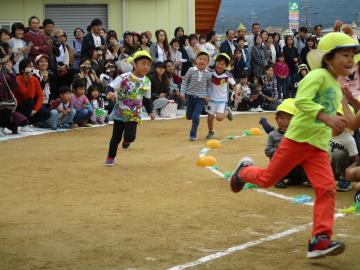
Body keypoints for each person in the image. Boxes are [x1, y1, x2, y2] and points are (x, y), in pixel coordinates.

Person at [230, 32, 360, 259]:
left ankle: (320, 239)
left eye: (353, 56)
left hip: (318, 147)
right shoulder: (318, 76)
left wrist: (348, 102)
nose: (351, 60)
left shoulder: (337, 84)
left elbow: (347, 121)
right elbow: (301, 100)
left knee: (327, 187)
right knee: (268, 178)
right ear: (328, 58)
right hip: (298, 140)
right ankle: (243, 173)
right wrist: (327, 118)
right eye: (345, 55)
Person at [105, 50, 155, 166]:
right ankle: (110, 157)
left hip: (134, 114)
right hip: (120, 112)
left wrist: (151, 111)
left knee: (130, 136)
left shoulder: (147, 81)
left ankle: (127, 141)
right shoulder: (124, 77)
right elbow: (110, 86)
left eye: (148, 64)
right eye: (143, 63)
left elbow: (147, 99)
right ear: (134, 64)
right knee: (116, 137)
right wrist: (110, 93)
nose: (146, 66)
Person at [264, 98, 307, 188]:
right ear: (276, 119)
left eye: (289, 119)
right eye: (282, 118)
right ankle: (278, 178)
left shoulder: (298, 134)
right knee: (277, 154)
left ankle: (297, 178)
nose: (285, 121)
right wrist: (276, 149)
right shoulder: (273, 135)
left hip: (294, 166)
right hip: (280, 165)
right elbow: (267, 151)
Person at [180, 51, 212, 141]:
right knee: (188, 116)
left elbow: (209, 86)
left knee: (195, 116)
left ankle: (193, 135)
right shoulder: (191, 70)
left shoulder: (208, 74)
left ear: (208, 62)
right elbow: (185, 81)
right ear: (196, 60)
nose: (202, 61)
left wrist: (208, 96)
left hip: (201, 99)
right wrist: (182, 92)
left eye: (204, 60)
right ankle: (190, 115)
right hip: (190, 96)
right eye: (200, 59)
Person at [14, 58, 51, 130]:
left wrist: (35, 109)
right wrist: (30, 78)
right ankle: (24, 124)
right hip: (19, 107)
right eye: (29, 66)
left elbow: (40, 95)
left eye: (32, 66)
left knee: (46, 113)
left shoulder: (35, 79)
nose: (32, 68)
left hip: (29, 107)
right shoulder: (18, 79)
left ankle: (28, 123)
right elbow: (28, 95)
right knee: (29, 101)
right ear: (23, 70)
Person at [206, 53, 235, 139]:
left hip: (222, 100)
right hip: (211, 99)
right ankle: (210, 131)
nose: (219, 66)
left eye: (222, 64)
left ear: (226, 66)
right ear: (215, 63)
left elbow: (234, 84)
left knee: (219, 118)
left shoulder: (228, 75)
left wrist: (236, 94)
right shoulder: (210, 72)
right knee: (210, 117)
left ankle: (226, 112)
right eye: (218, 63)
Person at [329, 105, 358, 192]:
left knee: (338, 153)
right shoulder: (325, 132)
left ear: (348, 123)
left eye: (341, 118)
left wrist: (348, 171)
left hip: (342, 170)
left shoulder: (348, 139)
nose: (337, 120)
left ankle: (344, 180)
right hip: (328, 167)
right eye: (335, 115)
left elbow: (356, 160)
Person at [0, 59, 28, 135]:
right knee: (5, 110)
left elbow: (14, 85)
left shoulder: (4, 76)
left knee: (21, 120)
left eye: (1, 65)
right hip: (3, 106)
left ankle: (2, 127)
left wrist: (10, 72)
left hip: (6, 105)